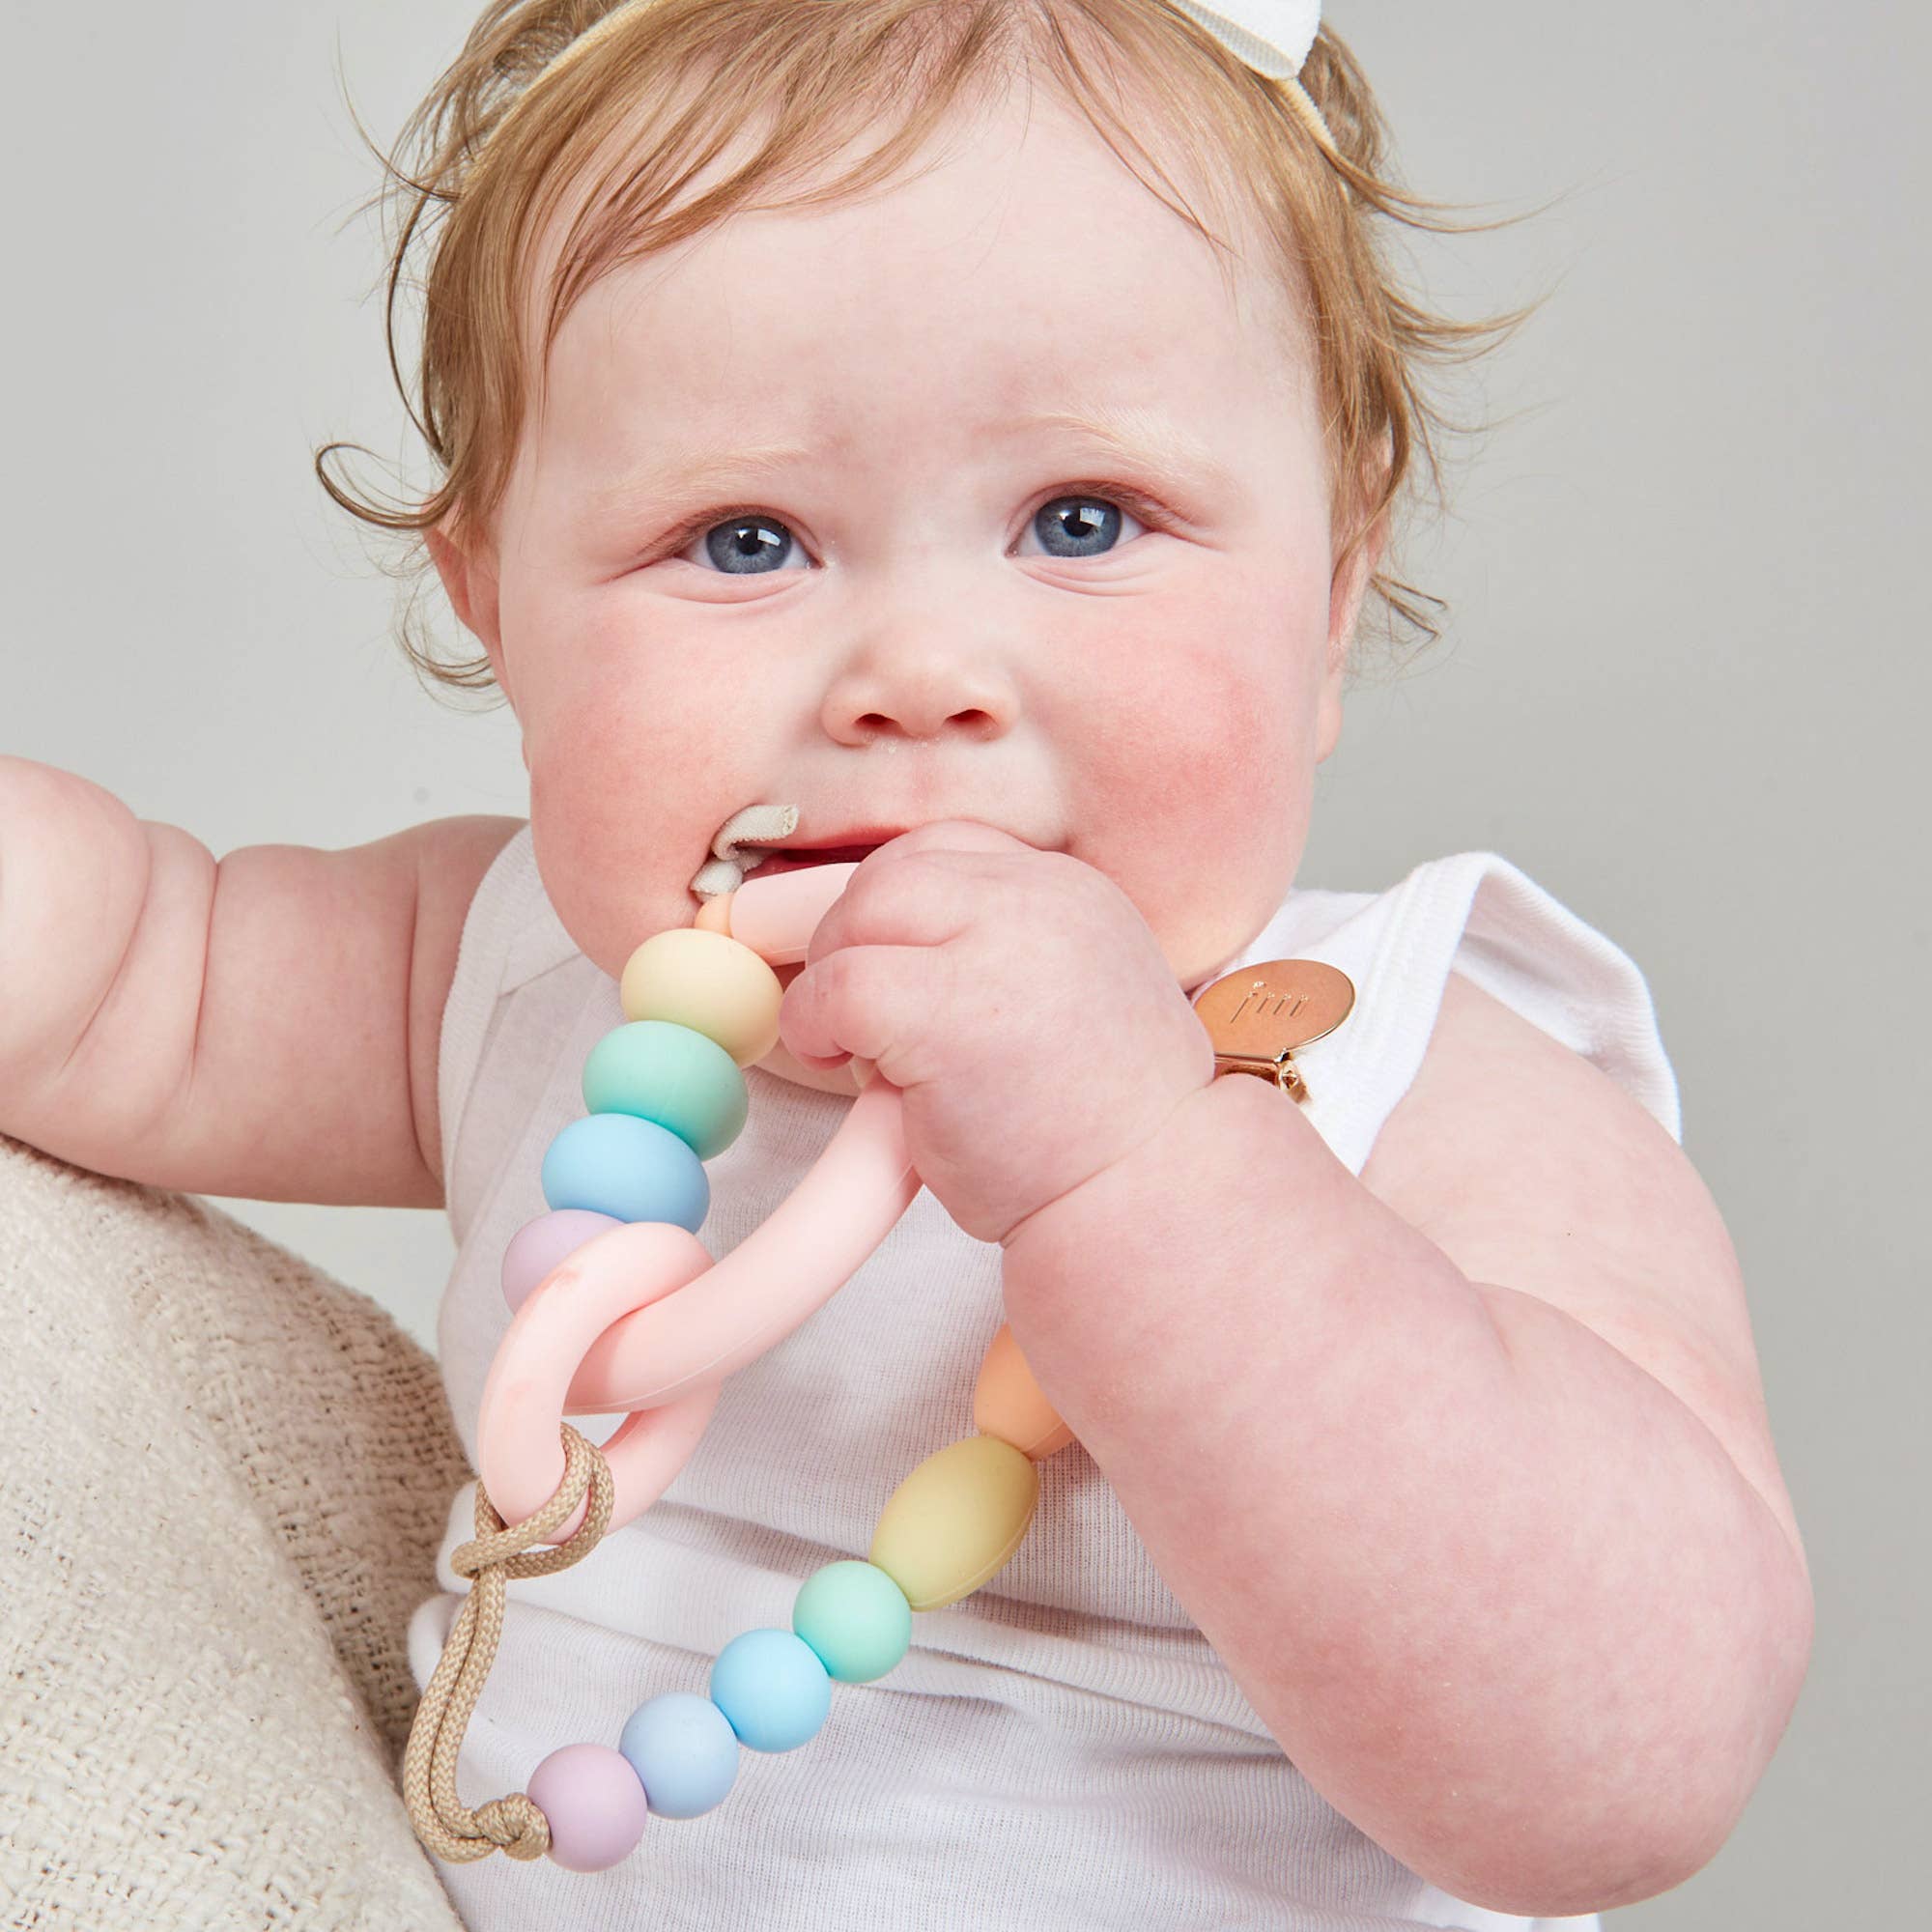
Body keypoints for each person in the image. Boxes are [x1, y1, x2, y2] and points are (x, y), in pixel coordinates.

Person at [0, 2, 1810, 1928]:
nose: (917, 672)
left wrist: (1139, 1159)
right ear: (494, 605)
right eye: (746, 536)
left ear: (1332, 600)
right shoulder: (531, 966)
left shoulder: (1410, 1069)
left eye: (1081, 519)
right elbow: (126, 973)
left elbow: (1625, 1765)